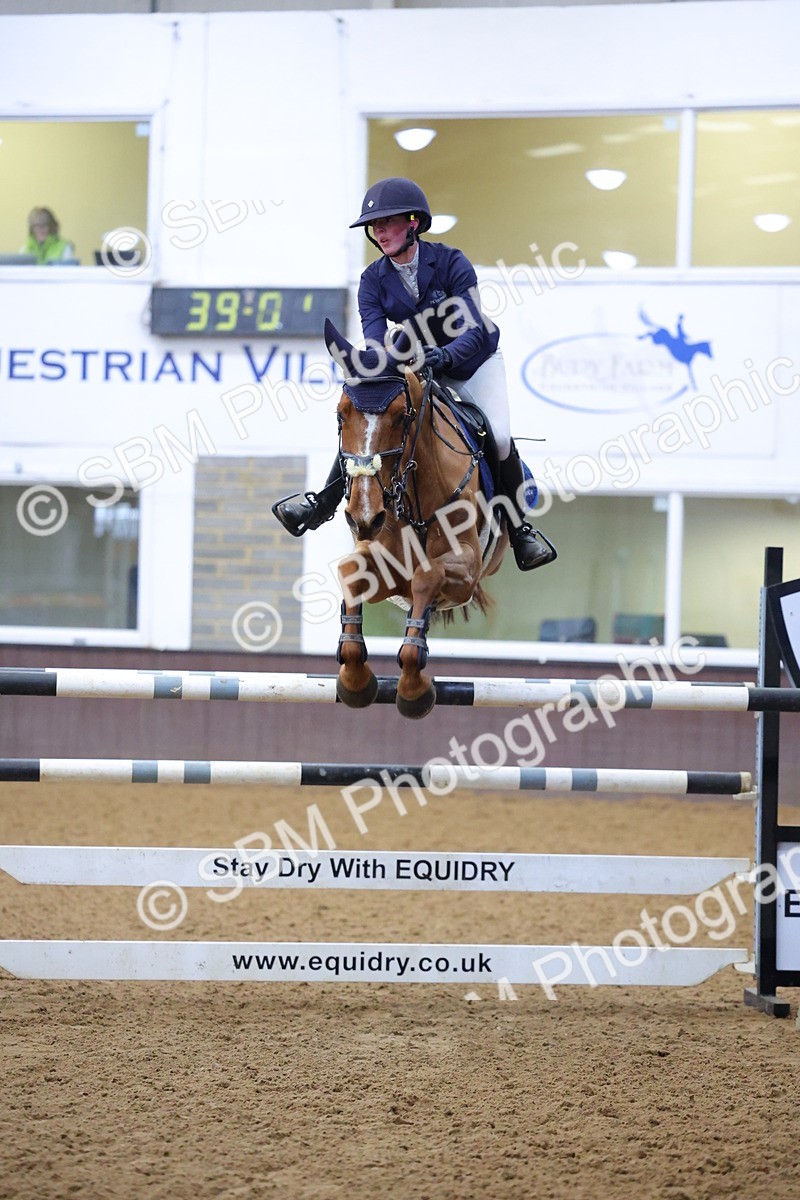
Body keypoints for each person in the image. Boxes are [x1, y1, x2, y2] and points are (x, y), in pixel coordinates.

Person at [274, 177, 555, 571]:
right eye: (375, 225)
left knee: (501, 436)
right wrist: (373, 367)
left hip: (474, 361)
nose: (380, 231)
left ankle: (521, 529)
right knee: (373, 418)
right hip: (418, 364)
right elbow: (375, 340)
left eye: (388, 222)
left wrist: (441, 356)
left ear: (413, 223)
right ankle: (323, 502)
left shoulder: (452, 262)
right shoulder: (372, 280)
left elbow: (473, 331)